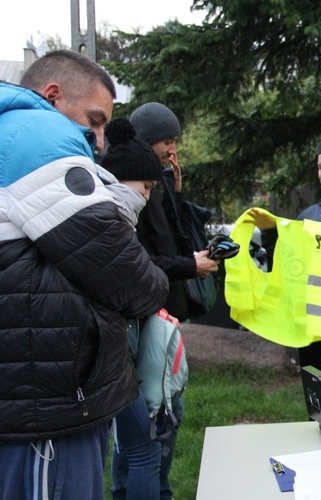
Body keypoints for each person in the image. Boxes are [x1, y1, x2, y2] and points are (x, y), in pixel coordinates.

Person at [0, 50, 168, 498]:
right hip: (46, 409)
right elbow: (123, 273)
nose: (98, 140)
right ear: (52, 96)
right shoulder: (39, 134)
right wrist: (157, 287)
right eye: (94, 120)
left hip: (38, 398)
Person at [129, 102, 217, 500]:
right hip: (145, 317)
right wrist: (188, 265)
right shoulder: (130, 187)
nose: (173, 149)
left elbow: (173, 237)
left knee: (166, 413)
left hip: (164, 316)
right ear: (149, 141)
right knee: (155, 420)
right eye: (168, 140)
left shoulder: (156, 184)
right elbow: (144, 256)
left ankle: (148, 489)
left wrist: (176, 194)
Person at [245, 139, 321, 406]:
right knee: (318, 409)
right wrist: (269, 232)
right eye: (320, 167)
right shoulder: (309, 215)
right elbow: (287, 263)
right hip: (313, 328)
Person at [101, 116, 167, 500]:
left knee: (128, 445)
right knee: (143, 448)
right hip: (111, 359)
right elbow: (142, 287)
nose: (146, 197)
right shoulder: (111, 223)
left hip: (110, 357)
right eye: (145, 187)